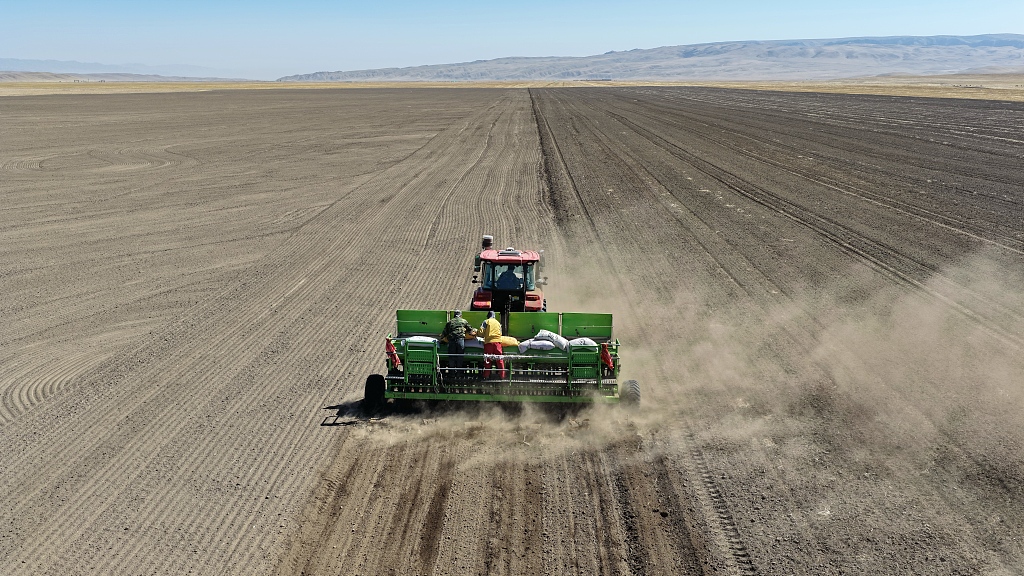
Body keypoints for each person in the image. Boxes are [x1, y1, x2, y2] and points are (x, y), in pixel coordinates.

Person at [440, 310, 474, 376]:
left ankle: (452, 373)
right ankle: (459, 373)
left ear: (454, 315)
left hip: (451, 340)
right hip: (460, 340)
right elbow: (470, 330)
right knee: (460, 356)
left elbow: (444, 333)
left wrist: (442, 340)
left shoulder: (450, 322)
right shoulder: (464, 321)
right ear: (460, 315)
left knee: (452, 356)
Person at [479, 310, 506, 379]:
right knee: (499, 360)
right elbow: (500, 333)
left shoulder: (486, 321)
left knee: (488, 360)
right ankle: (502, 376)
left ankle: (486, 376)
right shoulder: (498, 323)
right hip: (497, 343)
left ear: (488, 316)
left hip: (489, 343)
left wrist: (477, 334)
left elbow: (481, 333)